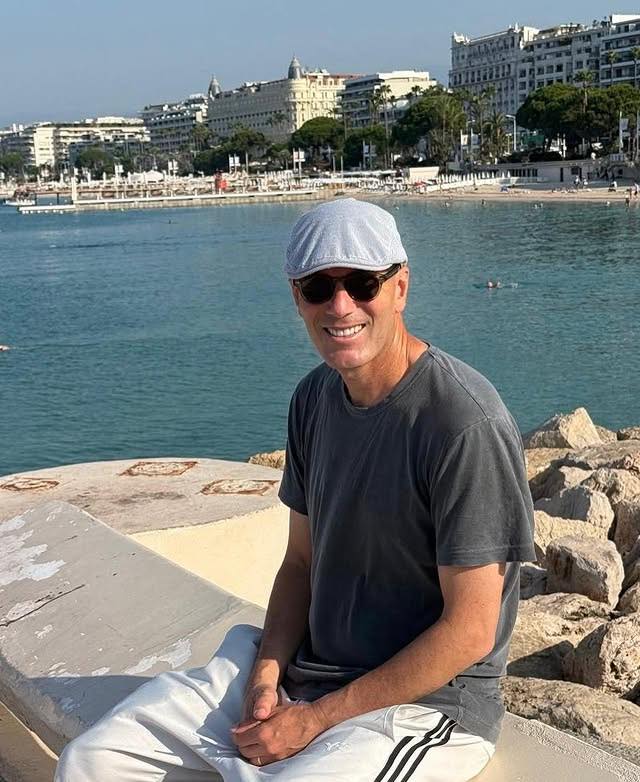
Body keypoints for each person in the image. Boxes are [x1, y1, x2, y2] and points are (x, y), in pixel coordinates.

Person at [55, 198, 535, 782]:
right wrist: (266, 675)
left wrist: (314, 721)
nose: (341, 306)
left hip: (425, 705)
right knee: (94, 761)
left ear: (400, 288)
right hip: (308, 673)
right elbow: (300, 564)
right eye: (318, 288)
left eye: (362, 284)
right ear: (296, 298)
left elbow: (471, 630)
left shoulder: (462, 424)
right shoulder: (314, 399)